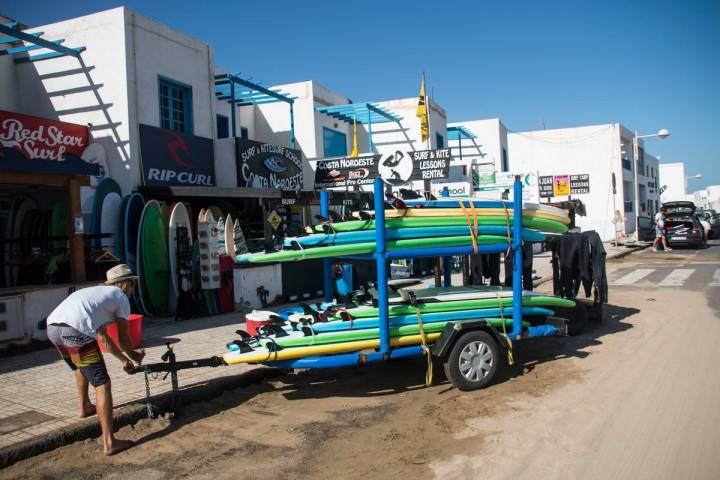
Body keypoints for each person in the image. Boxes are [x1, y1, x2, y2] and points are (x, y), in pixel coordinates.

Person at [46, 264, 145, 456]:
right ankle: (109, 442)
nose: (133, 289)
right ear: (124, 284)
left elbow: (102, 336)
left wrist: (123, 360)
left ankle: (84, 407)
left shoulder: (97, 294)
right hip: (75, 329)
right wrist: (134, 356)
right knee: (102, 383)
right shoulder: (120, 297)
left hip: (53, 328)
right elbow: (124, 338)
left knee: (80, 366)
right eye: (132, 284)